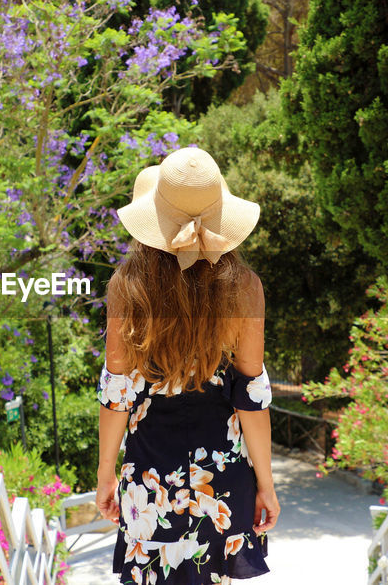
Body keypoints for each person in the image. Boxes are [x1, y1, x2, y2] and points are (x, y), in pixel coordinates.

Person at [95, 147, 279, 585]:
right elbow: (251, 397)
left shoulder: (127, 288)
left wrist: (105, 474)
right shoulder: (246, 288)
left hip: (151, 479)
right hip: (223, 481)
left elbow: (117, 394)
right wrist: (266, 484)